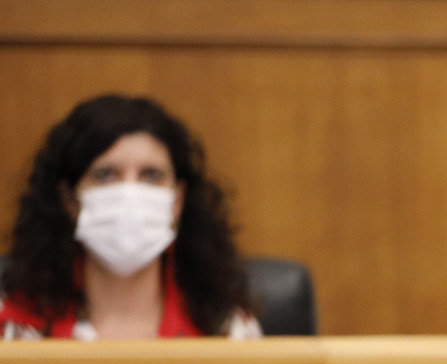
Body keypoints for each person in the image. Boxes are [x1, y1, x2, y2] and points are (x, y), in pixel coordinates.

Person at [2, 94, 260, 341]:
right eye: (105, 175)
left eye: (151, 175)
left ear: (177, 199)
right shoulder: (16, 329)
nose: (130, 192)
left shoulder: (227, 331)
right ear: (70, 200)